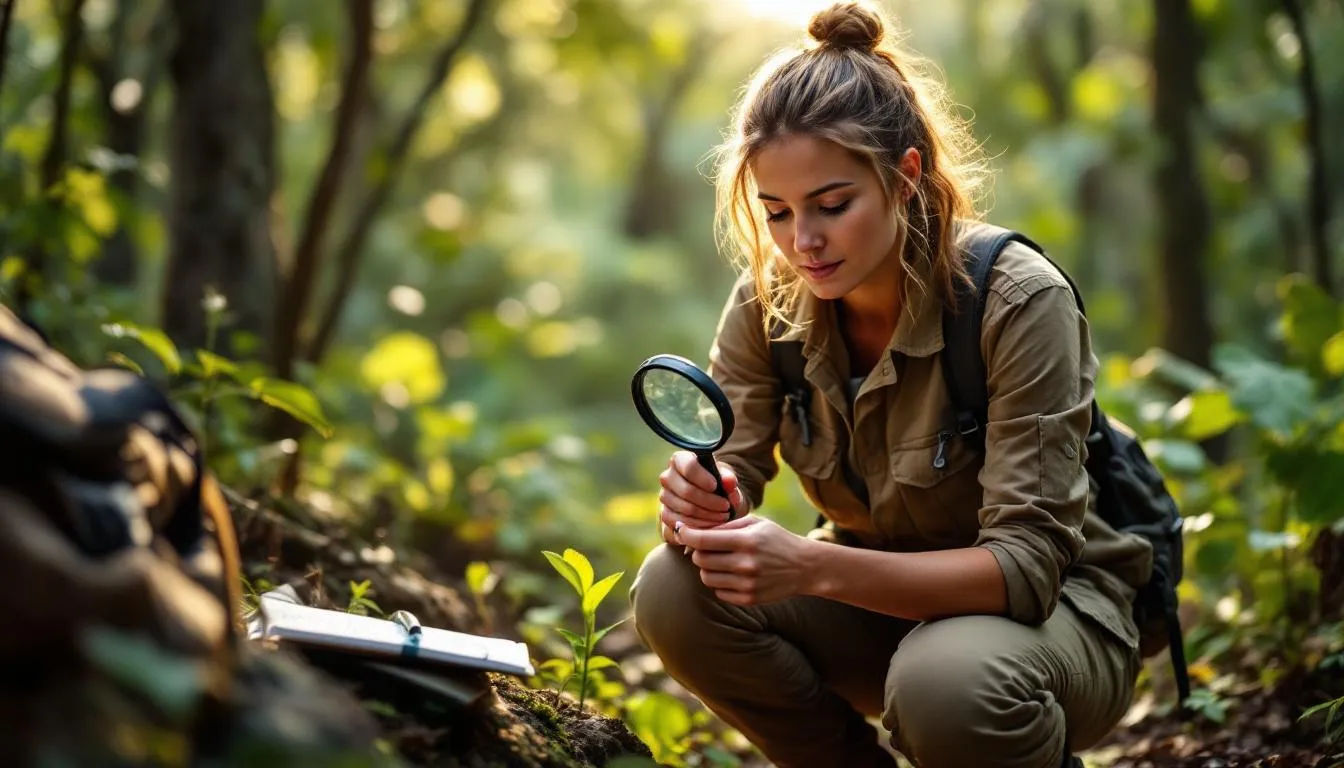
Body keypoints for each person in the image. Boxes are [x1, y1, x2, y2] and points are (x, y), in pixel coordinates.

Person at [627, 3, 1154, 767]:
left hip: (1050, 624)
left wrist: (811, 565)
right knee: (672, 591)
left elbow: (1026, 570)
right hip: (876, 606)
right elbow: (730, 464)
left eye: (832, 206)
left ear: (905, 176)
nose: (801, 242)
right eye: (776, 212)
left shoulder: (1016, 300)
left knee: (947, 683)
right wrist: (699, 497)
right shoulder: (767, 300)